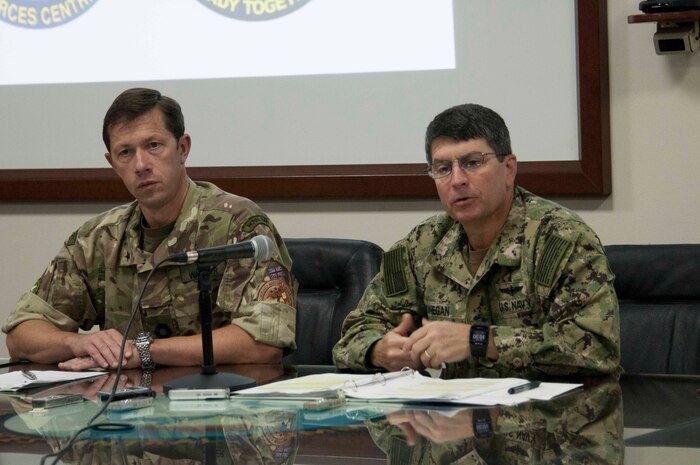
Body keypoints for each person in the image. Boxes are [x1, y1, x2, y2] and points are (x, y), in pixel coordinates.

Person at [3, 88, 297, 372]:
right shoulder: (98, 238)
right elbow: (21, 335)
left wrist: (141, 351)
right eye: (125, 153)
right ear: (112, 163)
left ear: (182, 149)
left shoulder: (238, 224)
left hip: (221, 408)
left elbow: (264, 343)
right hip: (122, 414)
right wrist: (81, 343)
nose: (141, 164)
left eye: (153, 145)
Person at [333, 103, 620, 377]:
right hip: (456, 419)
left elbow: (596, 348)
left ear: (509, 169)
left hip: (555, 420)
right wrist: (379, 350)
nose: (457, 180)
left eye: (472, 163)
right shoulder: (422, 244)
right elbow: (355, 332)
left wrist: (480, 340)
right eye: (443, 168)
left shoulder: (561, 239)